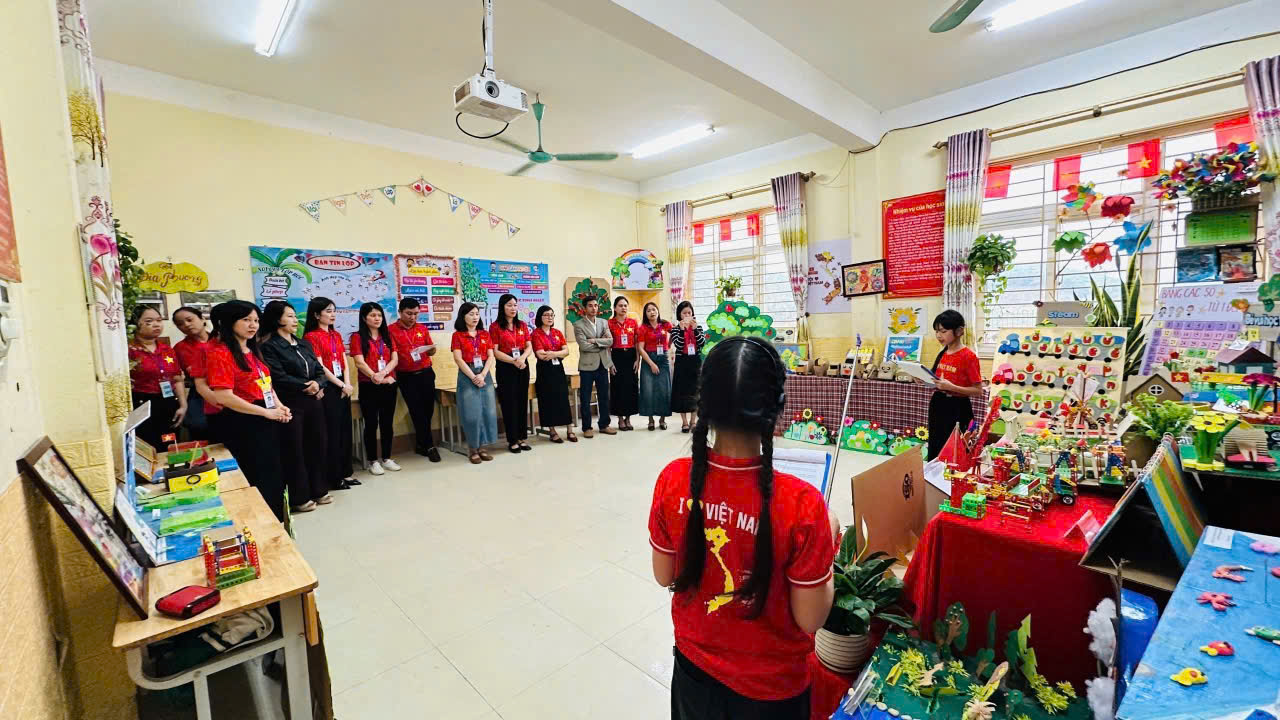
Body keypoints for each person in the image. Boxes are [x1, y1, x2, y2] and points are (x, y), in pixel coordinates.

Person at [648, 336, 835, 719]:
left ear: (704, 402)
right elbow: (811, 618)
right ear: (776, 407)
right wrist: (827, 539)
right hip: (773, 692)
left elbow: (664, 574)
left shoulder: (673, 479)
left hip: (693, 676)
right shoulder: (803, 504)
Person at [205, 301, 291, 520]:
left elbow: (266, 383)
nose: (253, 325)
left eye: (256, 320)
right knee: (256, 475)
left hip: (265, 416)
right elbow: (223, 396)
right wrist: (265, 412)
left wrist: (279, 406)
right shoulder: (220, 353)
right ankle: (260, 524)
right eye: (246, 320)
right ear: (229, 322)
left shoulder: (253, 350)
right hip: (243, 421)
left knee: (273, 474)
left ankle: (277, 522)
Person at [260, 301, 331, 513]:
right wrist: (306, 386)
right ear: (277, 319)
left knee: (317, 445)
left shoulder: (303, 344)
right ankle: (300, 496)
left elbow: (319, 370)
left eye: (294, 316)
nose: (294, 320)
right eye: (289, 316)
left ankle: (319, 489)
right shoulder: (268, 346)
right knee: (295, 450)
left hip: (313, 402)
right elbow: (278, 376)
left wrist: (318, 383)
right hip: (291, 403)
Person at [304, 297, 358, 489]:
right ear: (316, 314)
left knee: (345, 430)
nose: (332, 314)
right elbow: (320, 366)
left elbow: (344, 361)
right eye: (328, 311)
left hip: (343, 384)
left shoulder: (335, 334)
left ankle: (346, 472)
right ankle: (334, 477)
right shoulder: (312, 336)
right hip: (328, 386)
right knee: (332, 432)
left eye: (334, 310)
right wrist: (341, 385)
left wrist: (347, 383)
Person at [924, 309, 984, 460]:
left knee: (957, 448)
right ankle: (934, 473)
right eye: (937, 331)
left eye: (943, 331)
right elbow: (936, 380)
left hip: (958, 408)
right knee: (936, 444)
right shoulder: (942, 352)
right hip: (938, 404)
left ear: (959, 331)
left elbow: (978, 390)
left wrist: (952, 388)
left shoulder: (969, 357)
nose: (939, 336)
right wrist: (923, 378)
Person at [350, 302, 400, 476]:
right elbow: (359, 362)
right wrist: (374, 376)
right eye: (372, 315)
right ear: (364, 318)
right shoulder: (357, 337)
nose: (377, 318)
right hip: (368, 386)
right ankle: (373, 460)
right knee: (371, 424)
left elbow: (395, 359)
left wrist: (383, 374)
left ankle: (386, 458)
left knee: (387, 423)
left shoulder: (388, 335)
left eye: (379, 315)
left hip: (388, 384)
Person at [388, 298, 441, 462]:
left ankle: (420, 444)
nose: (413, 317)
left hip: (426, 373)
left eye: (416, 314)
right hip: (406, 376)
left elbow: (431, 350)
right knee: (417, 411)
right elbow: (391, 354)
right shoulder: (390, 330)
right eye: (409, 313)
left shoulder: (422, 328)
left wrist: (431, 350)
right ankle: (429, 446)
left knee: (428, 410)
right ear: (400, 312)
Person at [128, 306, 187, 450]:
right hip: (141, 403)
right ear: (135, 324)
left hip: (167, 402)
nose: (156, 325)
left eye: (159, 320)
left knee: (169, 442)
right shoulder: (129, 350)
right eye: (149, 321)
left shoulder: (167, 349)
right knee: (148, 446)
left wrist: (183, 405)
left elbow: (177, 378)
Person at [450, 302, 498, 464]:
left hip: (485, 374)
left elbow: (491, 356)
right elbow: (458, 359)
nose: (475, 317)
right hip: (467, 375)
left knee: (487, 411)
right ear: (463, 316)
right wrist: (473, 377)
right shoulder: (457, 336)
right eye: (471, 314)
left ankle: (483, 447)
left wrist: (482, 375)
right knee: (471, 413)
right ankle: (473, 448)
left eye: (477, 313)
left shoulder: (485, 334)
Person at [489, 293, 533, 453]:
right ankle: (512, 440)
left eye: (515, 305)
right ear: (502, 307)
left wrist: (522, 358)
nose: (513, 308)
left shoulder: (522, 325)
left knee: (522, 402)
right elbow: (495, 351)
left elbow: (529, 346)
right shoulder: (495, 327)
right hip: (506, 366)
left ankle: (522, 438)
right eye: (509, 305)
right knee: (509, 403)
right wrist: (513, 361)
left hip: (522, 365)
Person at [172, 306, 218, 442]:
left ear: (202, 319)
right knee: (199, 428)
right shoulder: (180, 348)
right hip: (200, 393)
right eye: (180, 324)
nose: (186, 325)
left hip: (228, 389)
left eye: (189, 319)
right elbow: (189, 373)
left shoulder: (220, 340)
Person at [530, 305, 575, 443]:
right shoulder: (536, 334)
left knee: (563, 398)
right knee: (547, 400)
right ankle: (552, 431)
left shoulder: (557, 332)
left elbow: (566, 351)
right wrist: (558, 353)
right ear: (540, 317)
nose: (550, 317)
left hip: (558, 369)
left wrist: (553, 354)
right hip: (544, 370)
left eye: (552, 315)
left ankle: (570, 429)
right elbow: (541, 355)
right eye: (546, 315)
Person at [573, 297, 616, 438]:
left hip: (603, 364)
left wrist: (594, 341)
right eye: (590, 306)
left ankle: (604, 425)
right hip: (586, 366)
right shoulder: (578, 324)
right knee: (585, 398)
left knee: (604, 396)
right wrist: (601, 344)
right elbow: (583, 346)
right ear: (584, 308)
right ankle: (587, 427)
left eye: (596, 305)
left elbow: (610, 341)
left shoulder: (603, 322)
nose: (594, 308)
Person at [669, 301, 706, 433]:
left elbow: (702, 343)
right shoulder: (675, 329)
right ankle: (684, 422)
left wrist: (694, 330)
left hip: (695, 361)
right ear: (679, 315)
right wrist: (682, 330)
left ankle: (693, 421)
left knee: (695, 392)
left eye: (689, 312)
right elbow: (679, 345)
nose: (687, 315)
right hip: (682, 362)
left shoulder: (698, 327)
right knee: (682, 392)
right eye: (684, 313)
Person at [637, 301, 672, 431]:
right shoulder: (643, 328)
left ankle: (662, 420)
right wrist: (651, 364)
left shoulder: (665, 324)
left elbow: (675, 334)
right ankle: (650, 420)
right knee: (648, 390)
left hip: (663, 359)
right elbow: (640, 348)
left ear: (658, 311)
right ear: (645, 314)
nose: (652, 312)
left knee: (664, 389)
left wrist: (668, 346)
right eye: (648, 310)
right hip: (648, 359)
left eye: (654, 309)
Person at [608, 296, 640, 431]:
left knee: (631, 388)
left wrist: (638, 359)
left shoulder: (633, 322)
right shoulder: (609, 323)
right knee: (618, 388)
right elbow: (607, 346)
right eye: (620, 305)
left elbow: (637, 342)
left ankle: (628, 418)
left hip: (631, 356)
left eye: (625, 305)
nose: (623, 308)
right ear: (615, 308)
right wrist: (610, 363)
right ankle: (620, 419)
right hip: (616, 356)